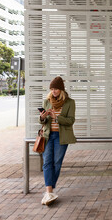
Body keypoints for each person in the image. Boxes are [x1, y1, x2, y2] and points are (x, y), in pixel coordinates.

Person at [38, 76, 76, 205]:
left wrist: (56, 118)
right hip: (48, 136)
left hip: (61, 136)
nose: (54, 91)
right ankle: (49, 191)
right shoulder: (47, 101)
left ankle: (49, 191)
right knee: (47, 163)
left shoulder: (70, 102)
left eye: (56, 89)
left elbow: (71, 121)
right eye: (52, 89)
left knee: (57, 163)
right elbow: (42, 122)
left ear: (61, 90)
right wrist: (42, 117)